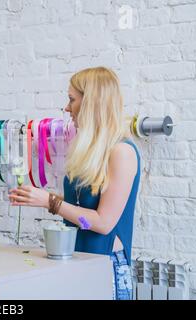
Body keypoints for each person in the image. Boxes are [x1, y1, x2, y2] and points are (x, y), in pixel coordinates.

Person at [9, 67, 141, 300]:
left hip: (105, 265)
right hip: (78, 259)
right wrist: (41, 198)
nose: (66, 107)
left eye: (72, 99)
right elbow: (81, 207)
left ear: (92, 103)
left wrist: (50, 202)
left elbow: (103, 223)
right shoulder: (89, 150)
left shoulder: (122, 152)